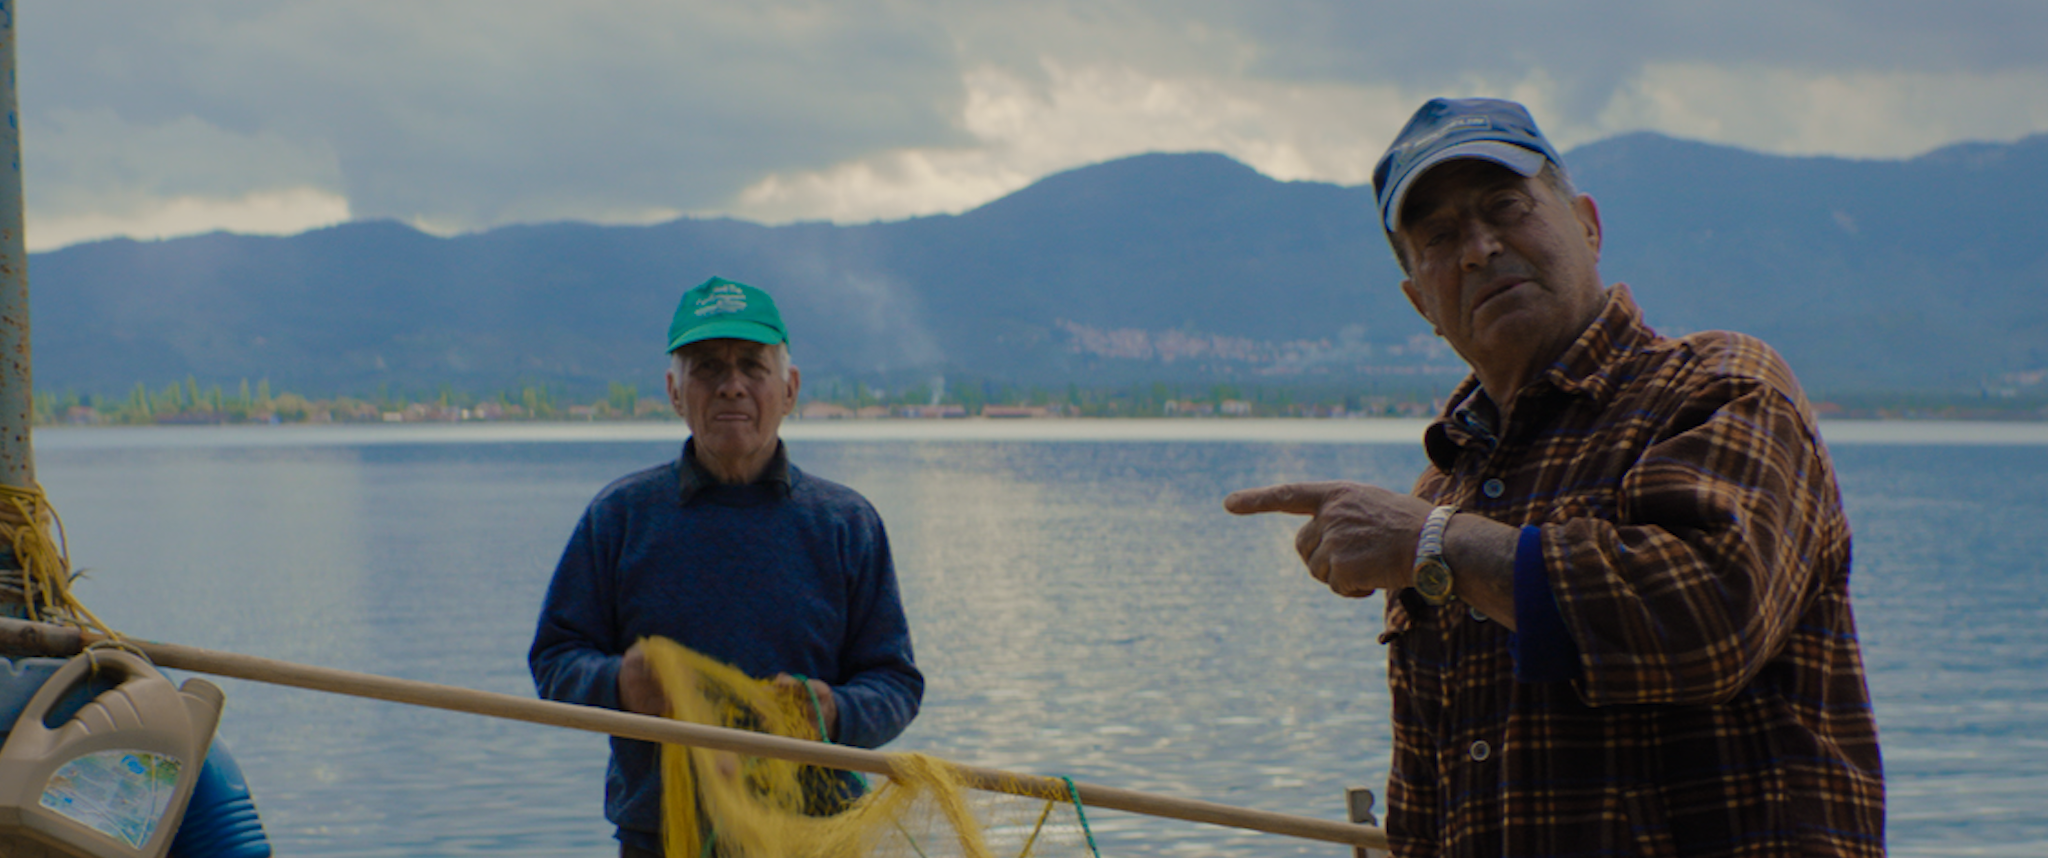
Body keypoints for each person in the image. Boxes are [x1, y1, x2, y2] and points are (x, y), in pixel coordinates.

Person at [1226, 98, 1884, 856]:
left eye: (1506, 207)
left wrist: (1433, 548)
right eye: (1439, 237)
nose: (1478, 248)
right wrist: (1434, 539)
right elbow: (1425, 804)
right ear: (1421, 305)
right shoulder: (1443, 492)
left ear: (1589, 226)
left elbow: (1707, 618)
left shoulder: (1720, 388)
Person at [529, 276, 923, 858]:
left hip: (819, 834)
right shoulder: (620, 517)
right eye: (708, 368)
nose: (731, 387)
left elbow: (896, 683)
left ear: (788, 389)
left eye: (752, 368)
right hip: (660, 835)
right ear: (674, 391)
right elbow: (555, 660)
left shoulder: (846, 523)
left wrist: (833, 711)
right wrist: (619, 684)